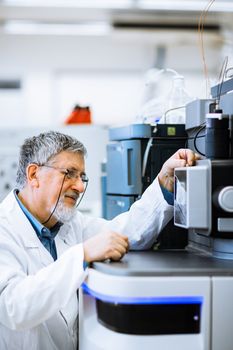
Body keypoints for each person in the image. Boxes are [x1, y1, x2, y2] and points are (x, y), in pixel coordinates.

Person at [0, 131, 198, 350]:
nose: (80, 186)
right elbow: (13, 307)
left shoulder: (69, 223)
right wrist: (82, 255)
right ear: (34, 174)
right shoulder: (5, 228)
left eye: (81, 176)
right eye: (69, 174)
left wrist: (165, 182)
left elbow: (124, 233)